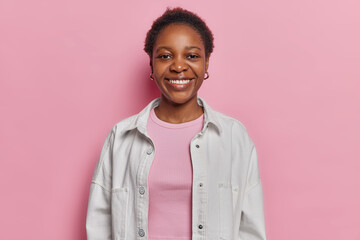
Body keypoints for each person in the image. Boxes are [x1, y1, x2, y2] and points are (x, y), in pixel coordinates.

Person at [86, 7, 267, 240]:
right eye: (165, 56)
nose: (178, 66)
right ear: (151, 64)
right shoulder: (121, 137)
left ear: (206, 63)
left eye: (191, 56)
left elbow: (251, 229)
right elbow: (99, 224)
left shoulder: (234, 137)